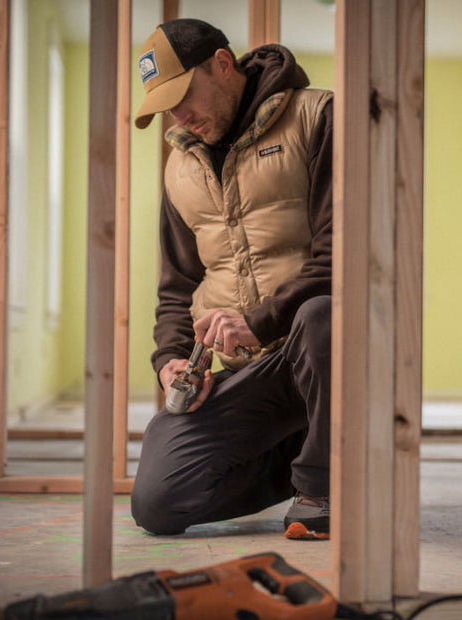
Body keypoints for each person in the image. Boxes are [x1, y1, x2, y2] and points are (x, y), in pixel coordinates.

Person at [129, 18, 333, 541]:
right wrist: (169, 359)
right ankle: (310, 452)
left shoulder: (319, 116)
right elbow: (177, 287)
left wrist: (258, 321)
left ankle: (323, 484)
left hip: (326, 354)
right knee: (158, 501)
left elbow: (344, 257)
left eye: (183, 96)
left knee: (323, 314)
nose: (179, 116)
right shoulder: (181, 168)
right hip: (254, 374)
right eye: (166, 107)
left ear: (223, 65)